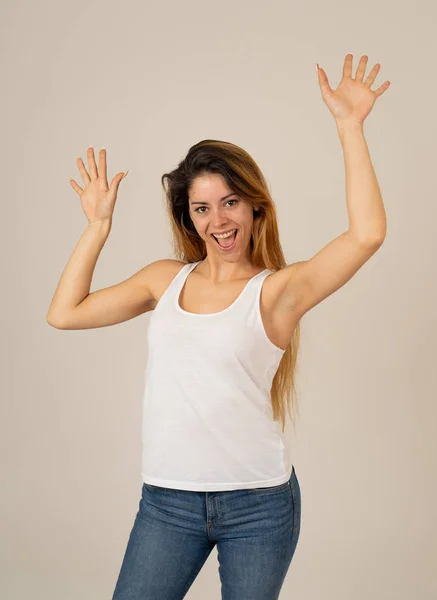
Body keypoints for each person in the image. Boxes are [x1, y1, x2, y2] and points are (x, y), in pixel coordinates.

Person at [46, 54, 389, 599]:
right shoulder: (164, 280)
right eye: (201, 208)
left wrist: (350, 126)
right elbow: (64, 313)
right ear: (188, 217)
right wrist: (98, 227)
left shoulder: (276, 293)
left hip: (258, 505)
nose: (218, 221)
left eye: (230, 202)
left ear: (254, 206)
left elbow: (366, 235)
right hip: (168, 502)